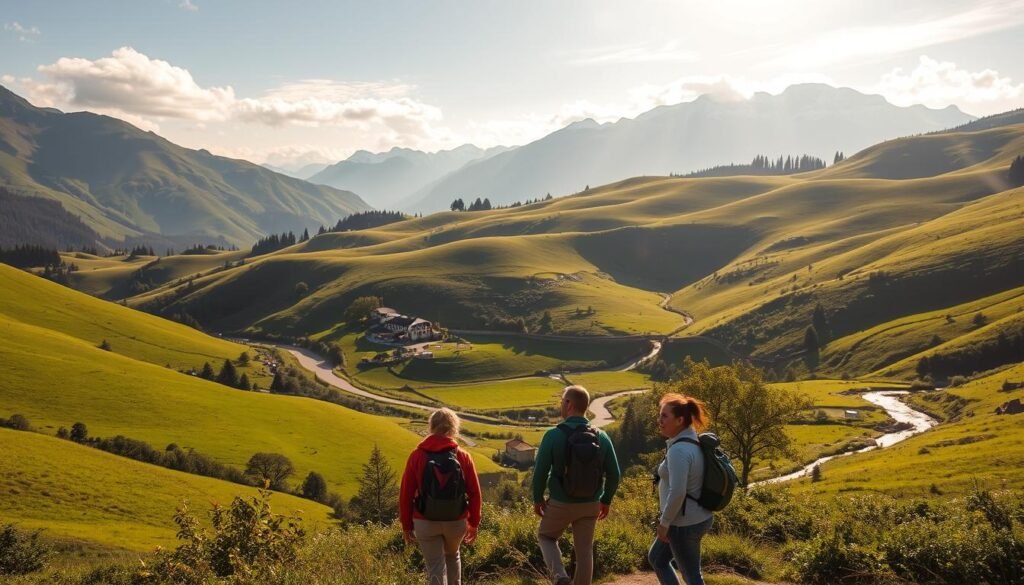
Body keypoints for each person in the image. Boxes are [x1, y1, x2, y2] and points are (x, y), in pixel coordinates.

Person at [533, 385, 621, 585]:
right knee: (584, 550)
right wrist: (605, 500)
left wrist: (538, 498)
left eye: (562, 401)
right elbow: (614, 474)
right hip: (591, 503)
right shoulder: (602, 436)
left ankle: (561, 578)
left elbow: (540, 473)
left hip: (561, 502)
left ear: (568, 404)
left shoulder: (553, 435)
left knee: (546, 537)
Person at [400, 408, 482, 585]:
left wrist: (406, 526)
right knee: (453, 556)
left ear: (432, 426)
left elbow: (405, 494)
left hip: (425, 520)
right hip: (456, 520)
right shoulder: (463, 456)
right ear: (454, 428)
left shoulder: (417, 456)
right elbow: (475, 494)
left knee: (435, 565)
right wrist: (474, 523)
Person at [648, 393, 714, 585]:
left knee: (691, 575)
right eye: (660, 415)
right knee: (657, 558)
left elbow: (678, 492)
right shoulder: (693, 441)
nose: (659, 421)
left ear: (680, 420)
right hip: (697, 517)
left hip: (683, 524)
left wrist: (664, 523)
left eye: (664, 416)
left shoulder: (679, 451)